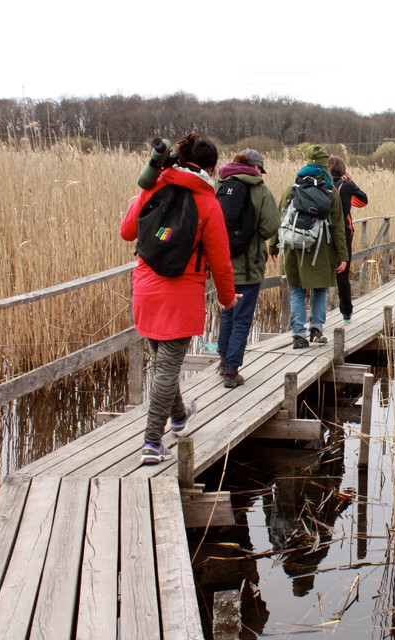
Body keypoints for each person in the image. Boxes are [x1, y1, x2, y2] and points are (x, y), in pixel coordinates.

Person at [120, 132, 238, 465]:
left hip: (146, 288)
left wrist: (144, 191)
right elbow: (220, 259)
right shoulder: (208, 203)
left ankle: (180, 416)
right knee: (166, 370)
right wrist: (227, 298)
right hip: (181, 295)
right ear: (211, 168)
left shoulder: (154, 186)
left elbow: (127, 232)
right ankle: (151, 443)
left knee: (163, 365)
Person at [270, 144, 348, 349]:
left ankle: (297, 334)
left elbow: (281, 220)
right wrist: (343, 255)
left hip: (294, 247)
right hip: (321, 248)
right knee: (319, 289)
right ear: (325, 167)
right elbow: (338, 226)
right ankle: (316, 329)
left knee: (296, 290)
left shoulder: (292, 188)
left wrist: (273, 247)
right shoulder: (331, 191)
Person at [216, 149, 280, 388]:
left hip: (222, 263)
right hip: (249, 263)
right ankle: (232, 372)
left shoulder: (219, 186)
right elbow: (271, 225)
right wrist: (253, 236)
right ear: (255, 168)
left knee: (227, 311)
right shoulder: (260, 189)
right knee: (242, 318)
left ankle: (223, 361)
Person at [327, 156, 368, 322]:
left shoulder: (322, 184)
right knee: (342, 274)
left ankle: (318, 318)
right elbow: (362, 202)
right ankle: (346, 312)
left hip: (324, 233)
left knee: (323, 271)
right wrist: (351, 181)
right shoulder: (347, 186)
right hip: (344, 233)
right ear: (343, 170)